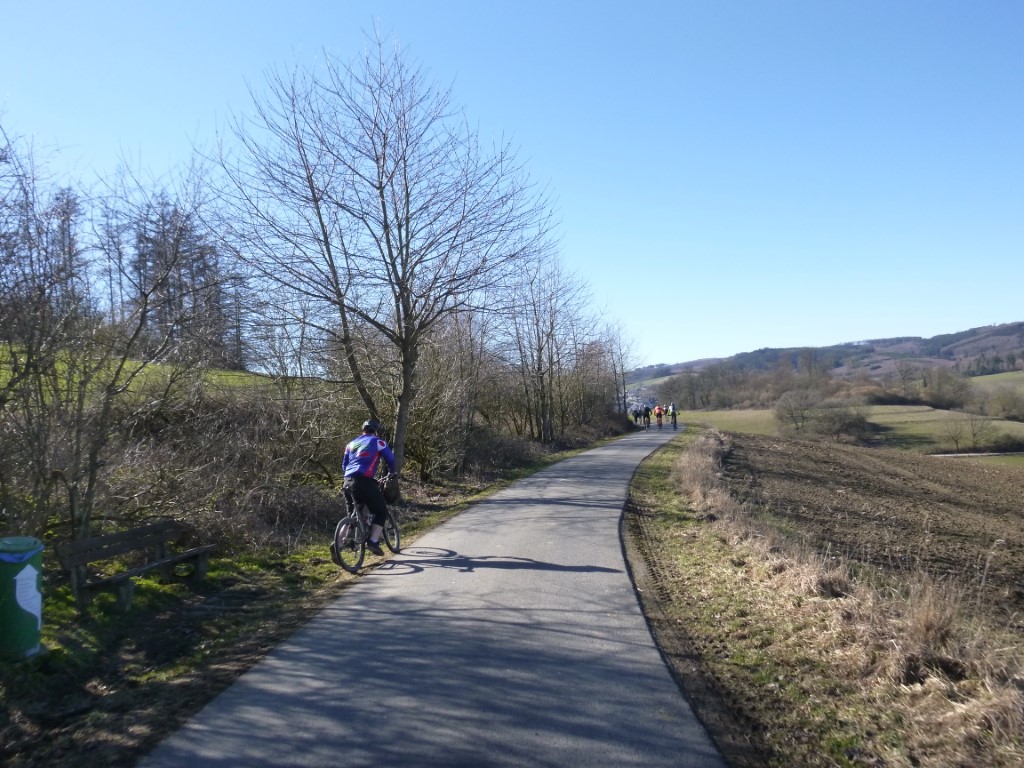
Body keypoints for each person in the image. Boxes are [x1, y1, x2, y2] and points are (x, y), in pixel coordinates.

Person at [342, 419, 397, 556]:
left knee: (351, 516)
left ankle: (337, 543)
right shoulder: (378, 442)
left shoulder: (350, 444)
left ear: (363, 430)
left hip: (347, 481)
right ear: (376, 431)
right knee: (381, 511)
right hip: (364, 481)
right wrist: (392, 472)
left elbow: (344, 465)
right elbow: (390, 459)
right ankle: (373, 541)